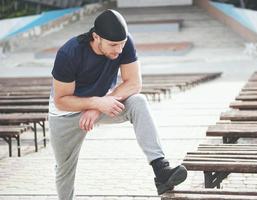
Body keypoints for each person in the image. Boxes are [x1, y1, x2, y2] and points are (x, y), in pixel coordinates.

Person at [48, 9, 187, 200]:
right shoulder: (69, 53)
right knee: (64, 168)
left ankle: (161, 170)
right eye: (113, 45)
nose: (119, 50)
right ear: (96, 37)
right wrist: (96, 103)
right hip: (66, 114)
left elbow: (134, 83)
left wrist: (98, 107)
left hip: (103, 105)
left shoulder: (125, 42)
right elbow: (61, 100)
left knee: (138, 101)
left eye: (122, 45)